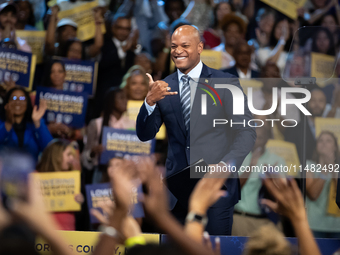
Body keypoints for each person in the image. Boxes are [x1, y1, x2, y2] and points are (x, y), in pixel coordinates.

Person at [136, 25, 256, 235]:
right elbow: (145, 134)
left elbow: (247, 132)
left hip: (216, 190)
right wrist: (149, 102)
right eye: (173, 46)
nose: (177, 51)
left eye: (185, 45)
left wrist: (225, 166)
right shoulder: (162, 86)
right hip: (177, 195)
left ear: (200, 47)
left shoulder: (226, 82)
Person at [82, 88, 135, 182]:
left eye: (126, 98)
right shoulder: (96, 124)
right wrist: (93, 152)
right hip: (102, 175)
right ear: (111, 101)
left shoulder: (133, 125)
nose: (125, 101)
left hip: (127, 175)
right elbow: (84, 157)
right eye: (121, 98)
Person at [36, 139, 83, 231]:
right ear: (56, 155)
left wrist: (79, 202)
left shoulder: (72, 180)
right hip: (42, 234)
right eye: (69, 155)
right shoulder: (35, 178)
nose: (72, 159)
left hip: (67, 235)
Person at [0, 87, 52, 161]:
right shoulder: (2, 123)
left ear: (27, 103)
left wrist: (37, 123)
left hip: (31, 171)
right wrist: (8, 124)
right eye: (14, 98)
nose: (18, 102)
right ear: (6, 104)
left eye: (22, 99)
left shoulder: (34, 125)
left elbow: (50, 149)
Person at [306, 131, 340, 238]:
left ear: (335, 147)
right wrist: (325, 170)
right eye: (321, 141)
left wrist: (333, 168)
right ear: (316, 147)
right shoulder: (309, 165)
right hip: (315, 225)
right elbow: (313, 194)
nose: (324, 143)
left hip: (337, 226)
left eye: (328, 141)